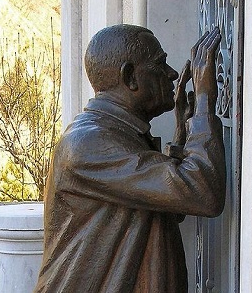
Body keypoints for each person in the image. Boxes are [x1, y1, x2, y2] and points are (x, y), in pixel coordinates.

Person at [34, 24, 226, 293]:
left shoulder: (119, 131)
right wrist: (205, 102)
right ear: (130, 77)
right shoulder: (90, 143)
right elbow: (201, 192)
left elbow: (174, 203)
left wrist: (183, 132)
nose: (171, 74)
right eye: (160, 65)